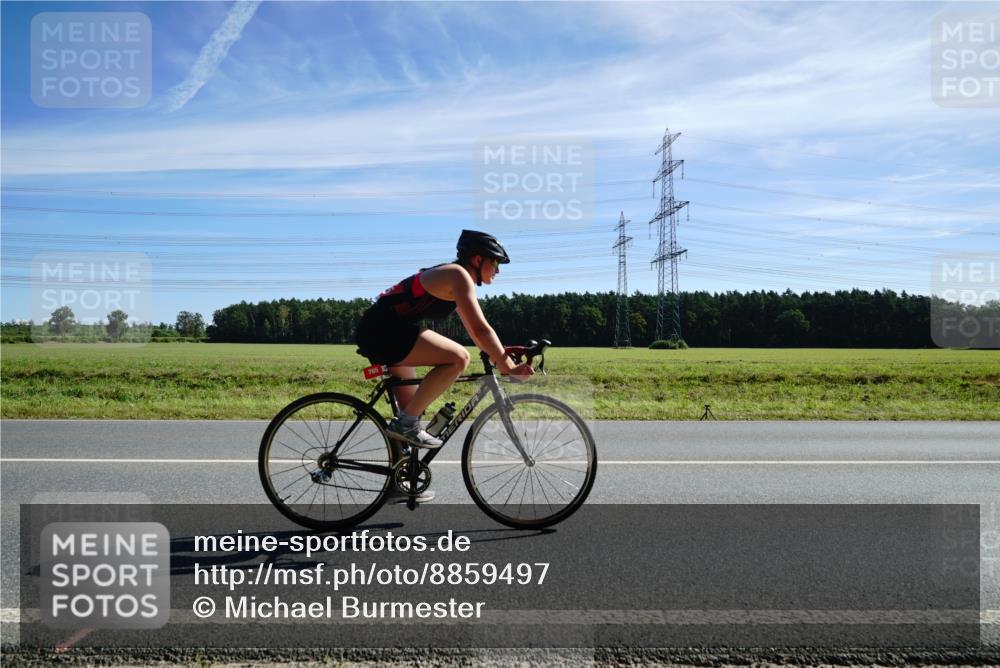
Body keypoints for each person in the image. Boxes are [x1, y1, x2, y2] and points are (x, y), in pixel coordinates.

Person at [354, 230, 534, 473]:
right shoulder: (458, 275)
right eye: (495, 262)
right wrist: (507, 367)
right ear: (477, 260)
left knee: (411, 414)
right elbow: (480, 330)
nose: (498, 270)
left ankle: (400, 481)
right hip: (385, 330)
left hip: (387, 328)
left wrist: (501, 353)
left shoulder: (454, 276)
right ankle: (406, 426)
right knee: (459, 358)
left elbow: (475, 329)